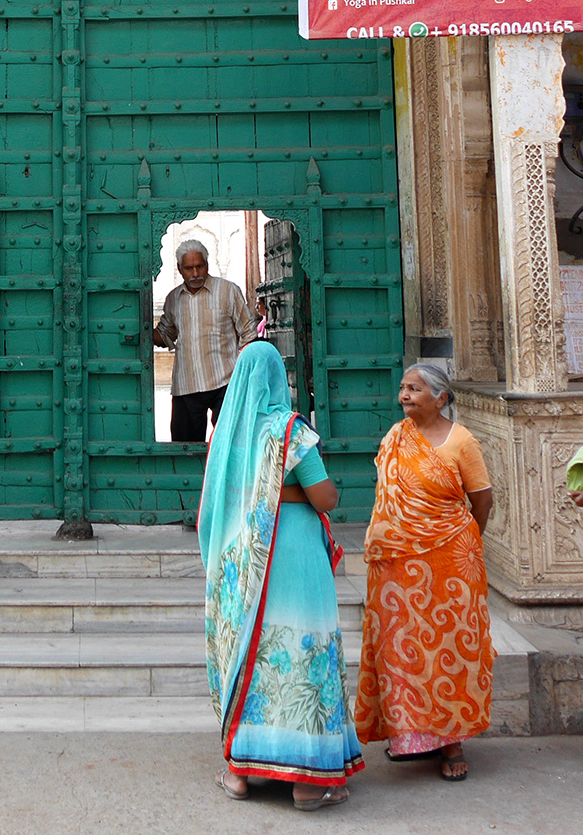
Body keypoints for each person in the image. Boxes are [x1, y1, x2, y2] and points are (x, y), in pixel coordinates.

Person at [199, 341, 362, 810]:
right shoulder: (290, 432)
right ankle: (308, 784)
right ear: (277, 379)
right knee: (302, 649)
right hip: (292, 555)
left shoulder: (229, 437)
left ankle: (240, 773)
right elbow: (325, 498)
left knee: (255, 650)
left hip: (247, 560)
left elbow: (229, 499)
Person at [355, 362, 494, 782]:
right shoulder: (396, 437)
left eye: (414, 389)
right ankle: (409, 737)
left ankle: (452, 741)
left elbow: (482, 499)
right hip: (397, 565)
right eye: (403, 388)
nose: (404, 395)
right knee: (401, 646)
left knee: (453, 649)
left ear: (441, 397)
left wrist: (463, 538)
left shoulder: (462, 441)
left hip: (451, 562)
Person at [152, 234, 253, 442]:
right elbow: (165, 334)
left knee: (231, 445)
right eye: (189, 268)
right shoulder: (173, 299)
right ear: (180, 269)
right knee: (185, 449)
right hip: (187, 385)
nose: (195, 273)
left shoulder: (228, 291)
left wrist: (245, 375)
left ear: (207, 264)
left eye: (200, 266)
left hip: (226, 384)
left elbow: (248, 332)